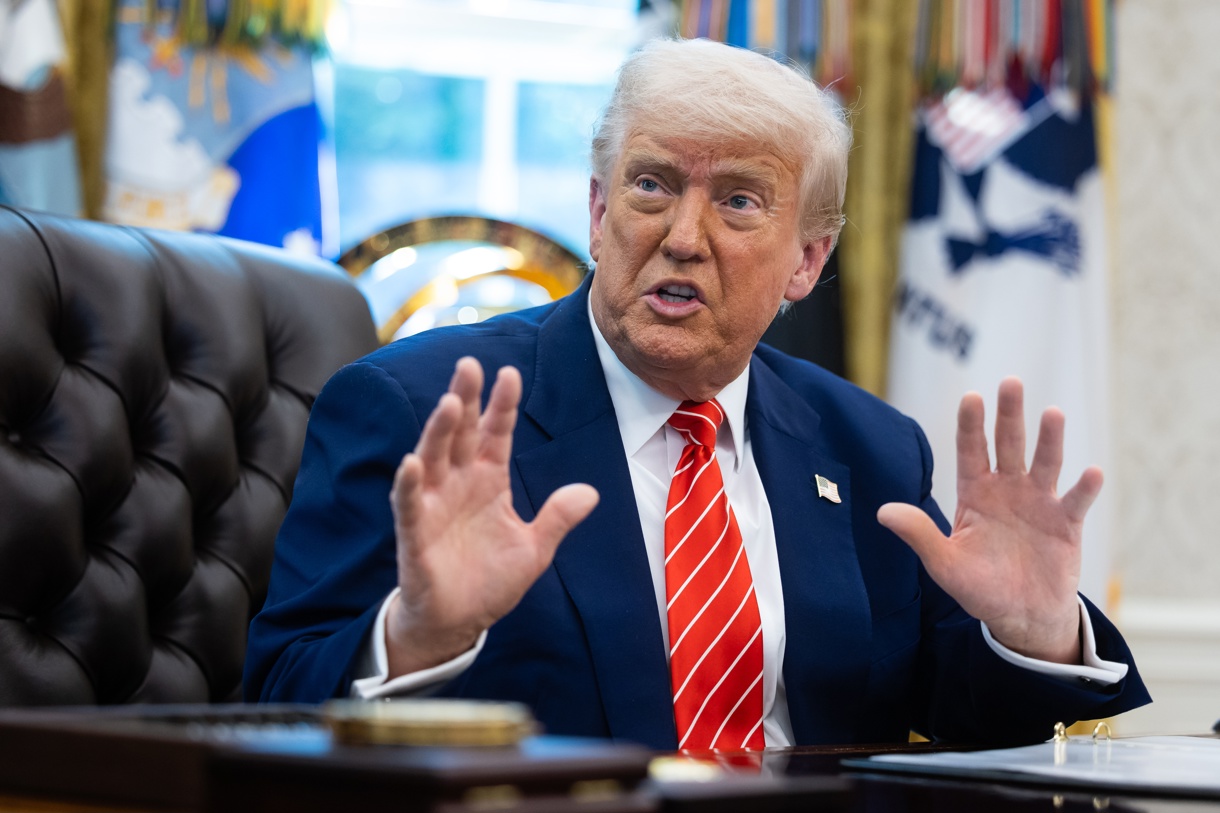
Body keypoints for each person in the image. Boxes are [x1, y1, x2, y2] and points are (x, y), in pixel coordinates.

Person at [244, 38, 1149, 749]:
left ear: (807, 259)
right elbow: (274, 700)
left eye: (740, 201)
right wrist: (414, 635)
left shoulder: (866, 447)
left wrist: (1033, 634)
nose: (683, 235)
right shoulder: (423, 410)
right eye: (652, 185)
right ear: (599, 213)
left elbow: (971, 715)